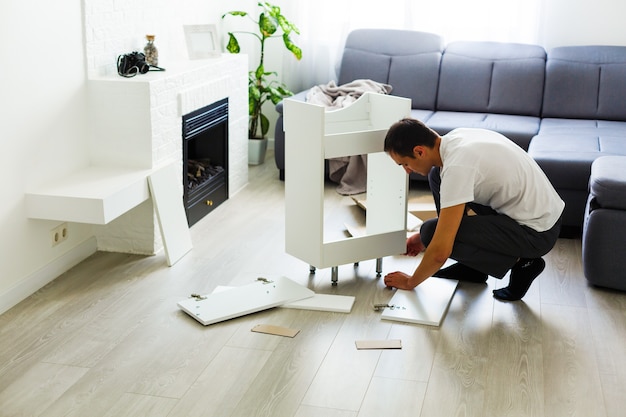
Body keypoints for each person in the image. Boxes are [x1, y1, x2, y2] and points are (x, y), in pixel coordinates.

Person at [382, 118, 565, 301]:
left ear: (419, 151)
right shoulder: (455, 138)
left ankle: (525, 263)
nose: (406, 170)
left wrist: (410, 282)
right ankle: (473, 267)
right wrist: (422, 240)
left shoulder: (457, 168)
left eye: (404, 163)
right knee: (437, 176)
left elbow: (439, 253)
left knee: (430, 231)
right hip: (541, 213)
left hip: (538, 233)